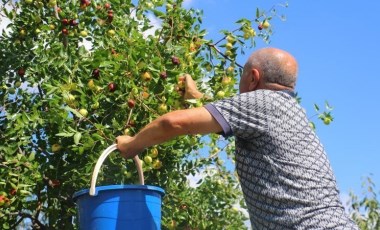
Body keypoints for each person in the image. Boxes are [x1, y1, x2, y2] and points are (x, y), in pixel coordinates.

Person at [116, 47, 358, 229]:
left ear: (253, 77)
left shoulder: (262, 102)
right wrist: (196, 98)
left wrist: (132, 144)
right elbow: (229, 118)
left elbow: (173, 122)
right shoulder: (286, 109)